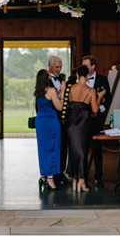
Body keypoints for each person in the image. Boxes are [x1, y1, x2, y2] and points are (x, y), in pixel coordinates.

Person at [66, 65, 103, 192]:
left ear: (77, 75)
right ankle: (81, 180)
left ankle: (75, 180)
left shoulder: (70, 88)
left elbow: (71, 105)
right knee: (82, 151)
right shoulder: (90, 90)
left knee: (73, 151)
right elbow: (95, 110)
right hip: (83, 124)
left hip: (71, 124)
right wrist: (100, 96)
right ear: (87, 76)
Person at [82, 55, 111, 187]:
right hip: (82, 118)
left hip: (96, 118)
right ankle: (82, 177)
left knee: (97, 149)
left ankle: (99, 177)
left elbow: (108, 97)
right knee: (82, 148)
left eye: (86, 65)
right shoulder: (79, 79)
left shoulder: (103, 79)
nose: (84, 68)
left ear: (93, 66)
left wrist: (101, 107)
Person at [34, 68, 64, 191]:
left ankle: (43, 177)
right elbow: (59, 107)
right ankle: (50, 179)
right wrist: (61, 92)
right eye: (49, 75)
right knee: (53, 149)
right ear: (46, 77)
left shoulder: (38, 91)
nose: (51, 76)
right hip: (51, 122)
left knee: (43, 150)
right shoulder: (51, 90)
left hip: (40, 122)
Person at [47, 55, 69, 185]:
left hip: (62, 117)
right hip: (51, 115)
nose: (59, 69)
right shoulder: (45, 80)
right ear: (50, 66)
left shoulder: (61, 79)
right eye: (57, 67)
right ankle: (52, 174)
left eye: (60, 67)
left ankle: (61, 172)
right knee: (52, 146)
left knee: (63, 146)